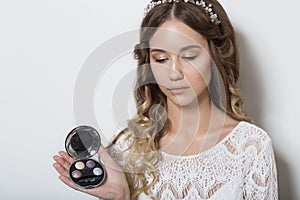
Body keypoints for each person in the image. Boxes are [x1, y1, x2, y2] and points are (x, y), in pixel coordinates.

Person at [53, 0, 278, 199]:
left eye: (189, 56)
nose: (174, 72)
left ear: (214, 57)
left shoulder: (251, 147)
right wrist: (121, 196)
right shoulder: (124, 149)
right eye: (160, 59)